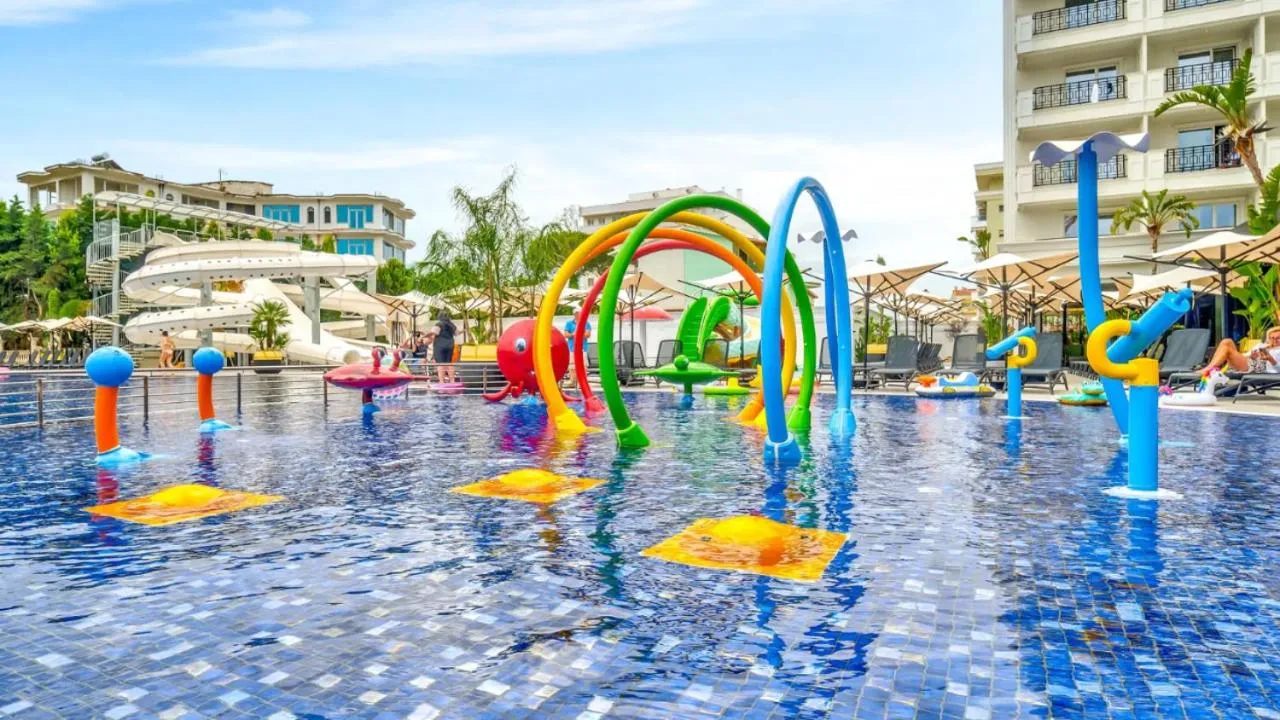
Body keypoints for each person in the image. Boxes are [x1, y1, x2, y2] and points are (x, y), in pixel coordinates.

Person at [1201, 327, 1280, 374]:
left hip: (1259, 367)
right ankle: (1209, 368)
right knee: (1227, 341)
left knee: (1227, 345)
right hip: (1248, 362)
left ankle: (1207, 370)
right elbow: (1244, 356)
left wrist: (1270, 359)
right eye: (1272, 338)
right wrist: (1251, 356)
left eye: (1278, 338)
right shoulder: (1262, 346)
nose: (1275, 340)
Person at [425, 311, 458, 384]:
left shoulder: (439, 324)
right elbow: (457, 333)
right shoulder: (452, 325)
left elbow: (433, 332)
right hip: (450, 345)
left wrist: (425, 336)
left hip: (440, 346)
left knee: (440, 364)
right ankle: (452, 381)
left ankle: (442, 382)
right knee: (449, 363)